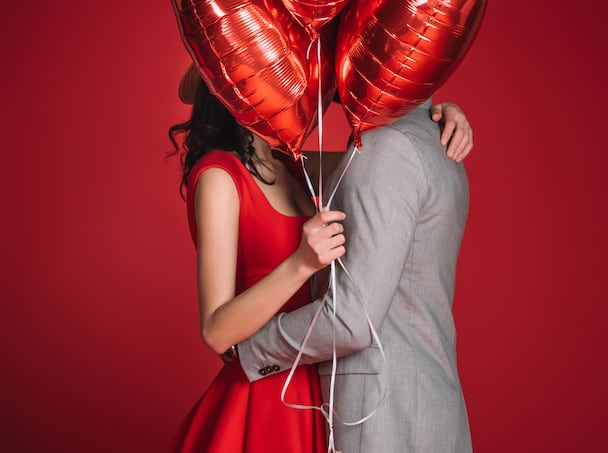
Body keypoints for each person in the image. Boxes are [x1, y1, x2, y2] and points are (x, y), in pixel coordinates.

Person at [167, 65, 473, 452]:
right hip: (261, 394)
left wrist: (434, 116)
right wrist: (301, 265)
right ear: (233, 90)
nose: (296, 93)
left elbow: (389, 161)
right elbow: (215, 331)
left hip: (312, 385)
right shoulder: (218, 176)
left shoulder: (291, 165)